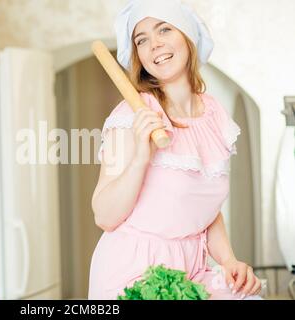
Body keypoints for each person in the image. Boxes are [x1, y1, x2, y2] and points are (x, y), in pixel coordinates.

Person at [89, 0, 262, 300]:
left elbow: (204, 209)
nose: (154, 45)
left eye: (164, 29)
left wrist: (228, 260)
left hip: (192, 271)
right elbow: (104, 216)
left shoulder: (214, 114)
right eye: (141, 39)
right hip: (132, 272)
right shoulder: (133, 114)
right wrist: (141, 157)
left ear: (187, 37)